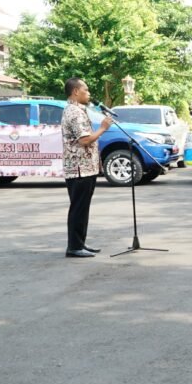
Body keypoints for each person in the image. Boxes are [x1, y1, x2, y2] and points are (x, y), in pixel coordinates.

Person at [61, 77, 112, 258]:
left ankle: (80, 243)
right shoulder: (74, 112)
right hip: (79, 169)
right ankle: (74, 247)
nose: (89, 93)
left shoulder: (77, 110)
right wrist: (103, 128)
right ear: (76, 91)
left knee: (83, 207)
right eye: (86, 90)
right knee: (79, 208)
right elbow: (84, 140)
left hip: (85, 167)